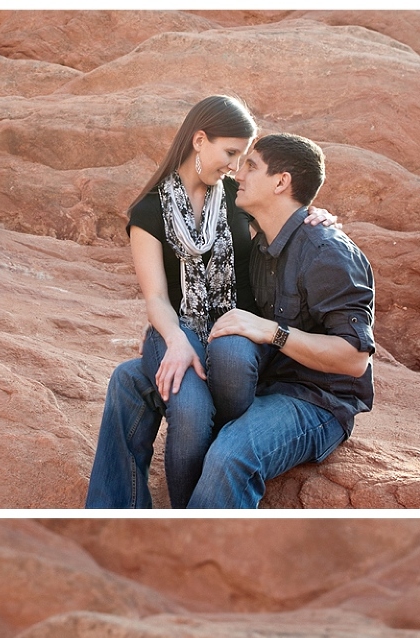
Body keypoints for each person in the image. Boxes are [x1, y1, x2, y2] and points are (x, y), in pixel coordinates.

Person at [87, 129, 374, 512]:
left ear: (281, 182)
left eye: (251, 166)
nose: (239, 173)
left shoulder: (326, 252)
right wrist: (168, 338)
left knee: (229, 454)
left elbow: (355, 359)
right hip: (257, 379)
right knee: (130, 379)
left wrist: (272, 332)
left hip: (315, 400)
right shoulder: (256, 237)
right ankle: (114, 516)